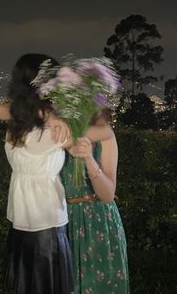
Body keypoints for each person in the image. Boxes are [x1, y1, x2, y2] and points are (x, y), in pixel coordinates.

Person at [0, 53, 74, 294]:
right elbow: (78, 135)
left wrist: (48, 114)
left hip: (21, 217)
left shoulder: (17, 123)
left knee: (26, 284)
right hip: (47, 219)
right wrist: (54, 115)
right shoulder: (54, 130)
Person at [60, 109, 130, 293]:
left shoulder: (105, 135)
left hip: (99, 223)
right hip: (62, 222)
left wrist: (89, 160)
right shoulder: (57, 131)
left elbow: (107, 195)